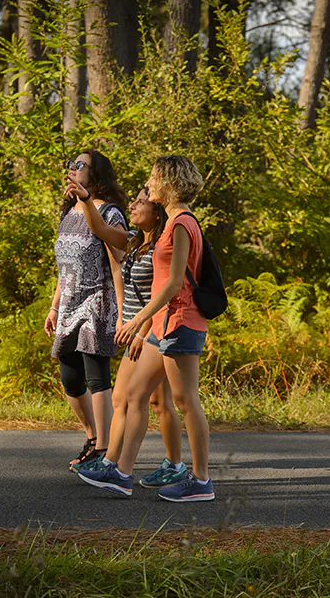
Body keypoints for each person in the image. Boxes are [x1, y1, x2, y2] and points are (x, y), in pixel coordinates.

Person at [79, 155, 215, 502]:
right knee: (136, 394)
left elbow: (172, 284)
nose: (148, 183)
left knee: (186, 401)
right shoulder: (171, 223)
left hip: (180, 321)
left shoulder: (182, 223)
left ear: (168, 183)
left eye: (154, 178)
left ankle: (200, 480)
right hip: (164, 323)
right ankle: (121, 473)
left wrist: (139, 320)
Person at [64, 184, 187, 492]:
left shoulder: (162, 246)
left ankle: (136, 468)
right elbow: (100, 228)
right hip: (136, 328)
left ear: (156, 212)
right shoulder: (134, 243)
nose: (132, 206)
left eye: (140, 202)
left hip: (152, 329)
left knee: (149, 401)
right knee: (136, 399)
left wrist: (140, 329)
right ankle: (112, 463)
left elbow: (161, 294)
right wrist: (87, 200)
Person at [44, 150, 127, 468]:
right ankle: (93, 436)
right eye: (70, 165)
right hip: (68, 307)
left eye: (80, 165)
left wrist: (122, 313)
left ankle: (103, 450)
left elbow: (118, 264)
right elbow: (64, 267)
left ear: (96, 174)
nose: (72, 169)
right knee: (70, 379)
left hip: (98, 303)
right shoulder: (68, 214)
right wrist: (54, 307)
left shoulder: (109, 213)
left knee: (96, 377)